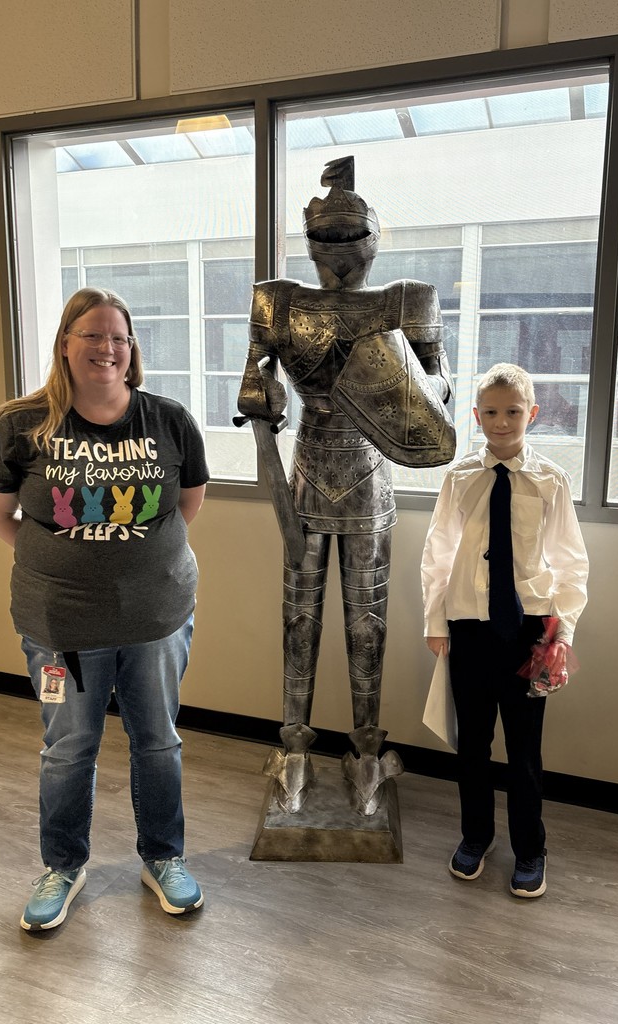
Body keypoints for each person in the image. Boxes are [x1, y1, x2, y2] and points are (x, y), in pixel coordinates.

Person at [0, 287, 210, 930]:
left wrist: (136, 560)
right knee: (69, 748)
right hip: (61, 623)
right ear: (65, 344)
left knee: (157, 741)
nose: (108, 347)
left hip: (156, 618)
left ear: (131, 350)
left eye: (119, 337)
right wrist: (64, 561)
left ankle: (163, 857)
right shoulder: (19, 425)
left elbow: (188, 502)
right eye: (93, 335)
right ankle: (62, 866)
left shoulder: (168, 420)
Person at [237, 156, 454, 815]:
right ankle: (294, 748)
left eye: (348, 236)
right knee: (299, 617)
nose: (337, 250)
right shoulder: (277, 300)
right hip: (306, 471)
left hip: (369, 472)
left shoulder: (406, 300)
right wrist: (260, 392)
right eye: (325, 238)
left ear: (372, 238)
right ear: (309, 242)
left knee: (366, 621)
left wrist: (404, 388)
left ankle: (365, 749)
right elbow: (253, 377)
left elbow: (439, 388)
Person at [421, 362, 588, 897]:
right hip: (468, 627)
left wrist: (562, 634)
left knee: (524, 747)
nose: (501, 422)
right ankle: (476, 836)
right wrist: (435, 621)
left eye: (512, 412)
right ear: (476, 416)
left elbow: (571, 563)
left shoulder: (549, 480)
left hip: (529, 630)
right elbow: (438, 553)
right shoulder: (460, 478)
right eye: (490, 412)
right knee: (472, 743)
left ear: (531, 414)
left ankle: (531, 848)